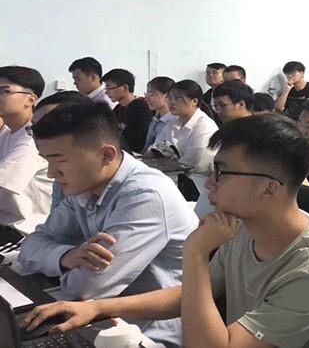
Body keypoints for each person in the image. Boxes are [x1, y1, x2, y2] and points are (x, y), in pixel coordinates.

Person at [23, 114, 309, 347]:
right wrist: (97, 309)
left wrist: (196, 253)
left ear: (269, 188)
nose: (210, 184)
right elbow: (192, 295)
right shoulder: (243, 227)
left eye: (222, 173)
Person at [20, 101, 198, 347]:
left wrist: (56, 262)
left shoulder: (145, 195)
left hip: (150, 333)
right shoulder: (85, 185)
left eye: (59, 160)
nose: (51, 172)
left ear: (106, 155)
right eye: (46, 160)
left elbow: (86, 287)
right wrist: (66, 256)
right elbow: (30, 246)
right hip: (102, 318)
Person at [0, 66, 53, 234]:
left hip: (23, 233)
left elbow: (3, 185)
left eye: (4, 91)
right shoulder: (8, 134)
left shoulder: (32, 140)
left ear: (30, 99)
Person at [31, 91, 92, 210]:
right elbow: (56, 217)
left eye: (47, 128)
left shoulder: (126, 190)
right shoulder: (61, 174)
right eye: (34, 129)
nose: (37, 137)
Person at [145, 80, 218, 175]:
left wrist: (167, 160)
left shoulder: (204, 127)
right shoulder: (173, 120)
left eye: (177, 98)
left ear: (194, 101)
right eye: (169, 98)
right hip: (173, 174)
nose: (171, 102)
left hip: (197, 178)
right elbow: (155, 147)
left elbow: (191, 165)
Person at [102, 68, 153, 153]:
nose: (106, 92)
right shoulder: (118, 109)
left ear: (125, 88)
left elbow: (138, 140)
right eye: (106, 88)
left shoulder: (140, 108)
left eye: (109, 88)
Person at [144, 76, 177, 151]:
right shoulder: (155, 119)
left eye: (151, 94)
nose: (146, 98)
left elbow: (164, 149)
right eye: (147, 94)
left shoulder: (174, 122)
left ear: (167, 96)